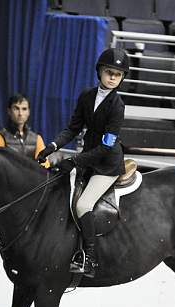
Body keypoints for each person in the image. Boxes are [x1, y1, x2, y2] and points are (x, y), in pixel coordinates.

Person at [36, 48, 128, 278]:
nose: (113, 78)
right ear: (100, 72)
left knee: (82, 205)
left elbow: (106, 146)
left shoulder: (117, 105)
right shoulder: (86, 96)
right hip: (88, 157)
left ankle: (89, 258)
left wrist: (75, 161)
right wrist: (52, 147)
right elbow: (73, 128)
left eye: (118, 74)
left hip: (107, 164)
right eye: (109, 72)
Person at [0, 93, 50, 167]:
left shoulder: (37, 139)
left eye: (24, 109)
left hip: (32, 177)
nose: (20, 113)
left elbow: (44, 166)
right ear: (9, 111)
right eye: (16, 108)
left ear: (28, 112)